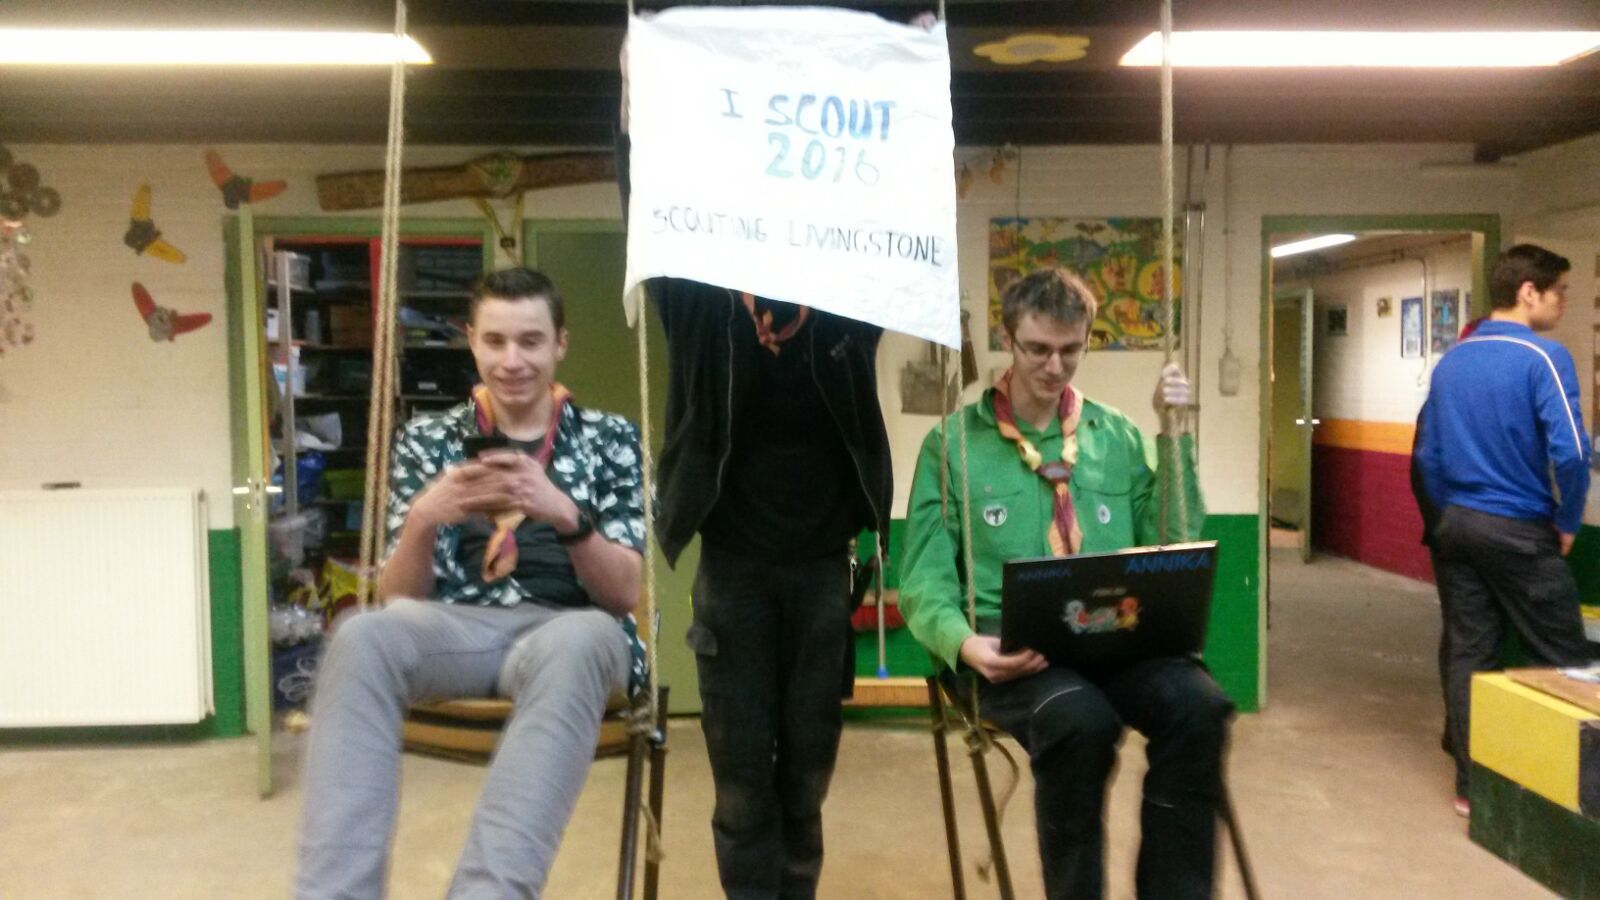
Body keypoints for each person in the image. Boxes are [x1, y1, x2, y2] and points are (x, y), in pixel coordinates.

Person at [295, 267, 648, 899]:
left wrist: (565, 514)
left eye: (530, 341)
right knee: (361, 635)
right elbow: (400, 599)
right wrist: (424, 519)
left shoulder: (611, 439)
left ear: (560, 343)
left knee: (583, 640)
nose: (512, 361)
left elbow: (623, 595)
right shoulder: (428, 439)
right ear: (471, 341)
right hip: (457, 630)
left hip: (568, 628)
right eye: (495, 341)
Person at [899, 268, 1232, 900]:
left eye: (1070, 350)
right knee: (1081, 723)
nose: (1055, 367)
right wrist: (962, 644)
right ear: (1007, 339)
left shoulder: (1117, 436)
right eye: (1037, 349)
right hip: (1009, 649)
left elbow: (1175, 539)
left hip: (1115, 636)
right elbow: (922, 575)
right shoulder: (953, 446)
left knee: (1200, 707)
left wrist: (1175, 434)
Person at [615, 145, 892, 900]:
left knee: (805, 782)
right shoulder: (700, 305)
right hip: (732, 572)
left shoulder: (847, 308)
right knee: (740, 789)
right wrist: (631, 122)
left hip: (822, 573)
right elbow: (648, 203)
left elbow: (899, 199)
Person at [1416, 244, 1594, 816]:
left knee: (1471, 654)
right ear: (1527, 292)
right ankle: (1568, 797)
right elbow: (1573, 452)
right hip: (1519, 528)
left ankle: (1474, 789)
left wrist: (1448, 518)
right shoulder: (1544, 357)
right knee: (1565, 655)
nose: (1563, 303)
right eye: (1559, 291)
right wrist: (1568, 519)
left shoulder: (1453, 362)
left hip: (1457, 527)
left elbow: (1427, 457)